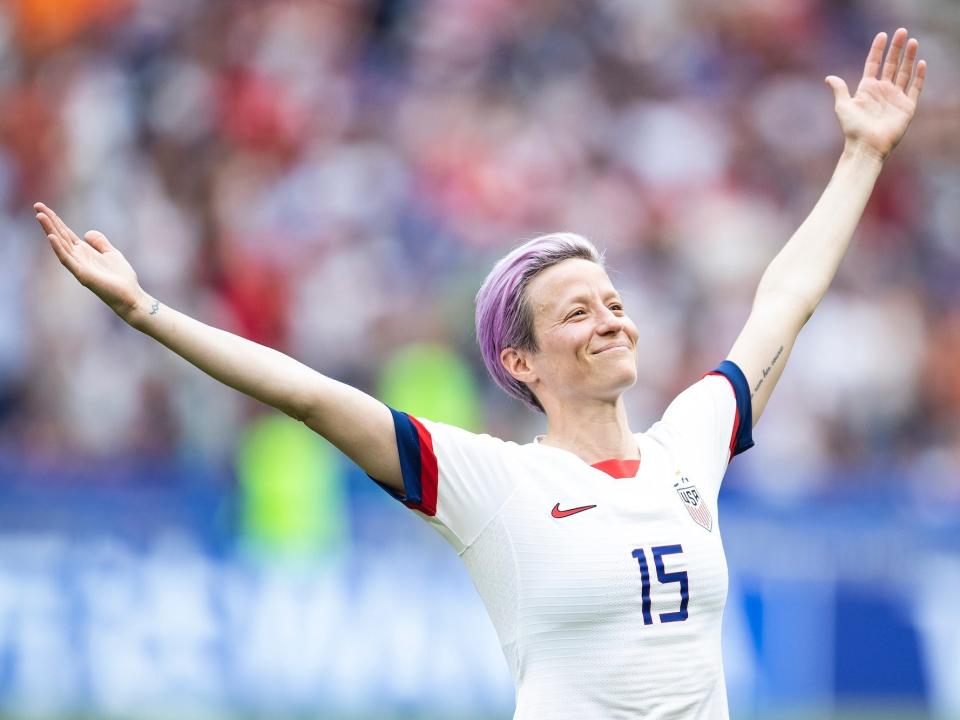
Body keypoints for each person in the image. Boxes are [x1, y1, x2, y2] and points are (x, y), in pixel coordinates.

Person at [34, 28, 925, 720]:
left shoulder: (689, 446)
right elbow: (305, 393)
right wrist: (146, 312)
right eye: (577, 311)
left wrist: (861, 156)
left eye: (612, 301)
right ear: (519, 362)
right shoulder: (493, 483)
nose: (610, 318)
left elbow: (785, 302)